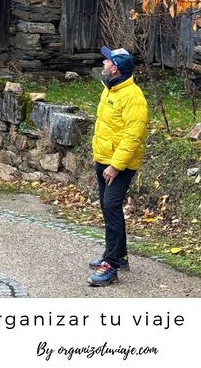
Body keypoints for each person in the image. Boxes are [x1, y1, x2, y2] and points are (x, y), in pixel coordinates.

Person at [88, 46, 148, 287]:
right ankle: (120, 255)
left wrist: (114, 166)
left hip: (119, 165)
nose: (104, 61)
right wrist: (99, 159)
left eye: (108, 60)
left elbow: (133, 136)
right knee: (108, 206)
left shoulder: (133, 97)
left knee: (111, 206)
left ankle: (110, 265)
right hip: (103, 160)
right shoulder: (110, 89)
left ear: (115, 68)